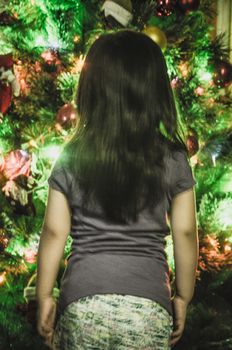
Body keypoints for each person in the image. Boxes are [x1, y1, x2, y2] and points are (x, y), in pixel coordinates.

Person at [36, 30, 198, 350]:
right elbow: (185, 232)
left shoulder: (71, 157)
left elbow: (54, 231)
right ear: (155, 92)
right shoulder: (174, 159)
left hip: (81, 307)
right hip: (148, 310)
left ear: (90, 91)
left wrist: (44, 296)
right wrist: (183, 296)